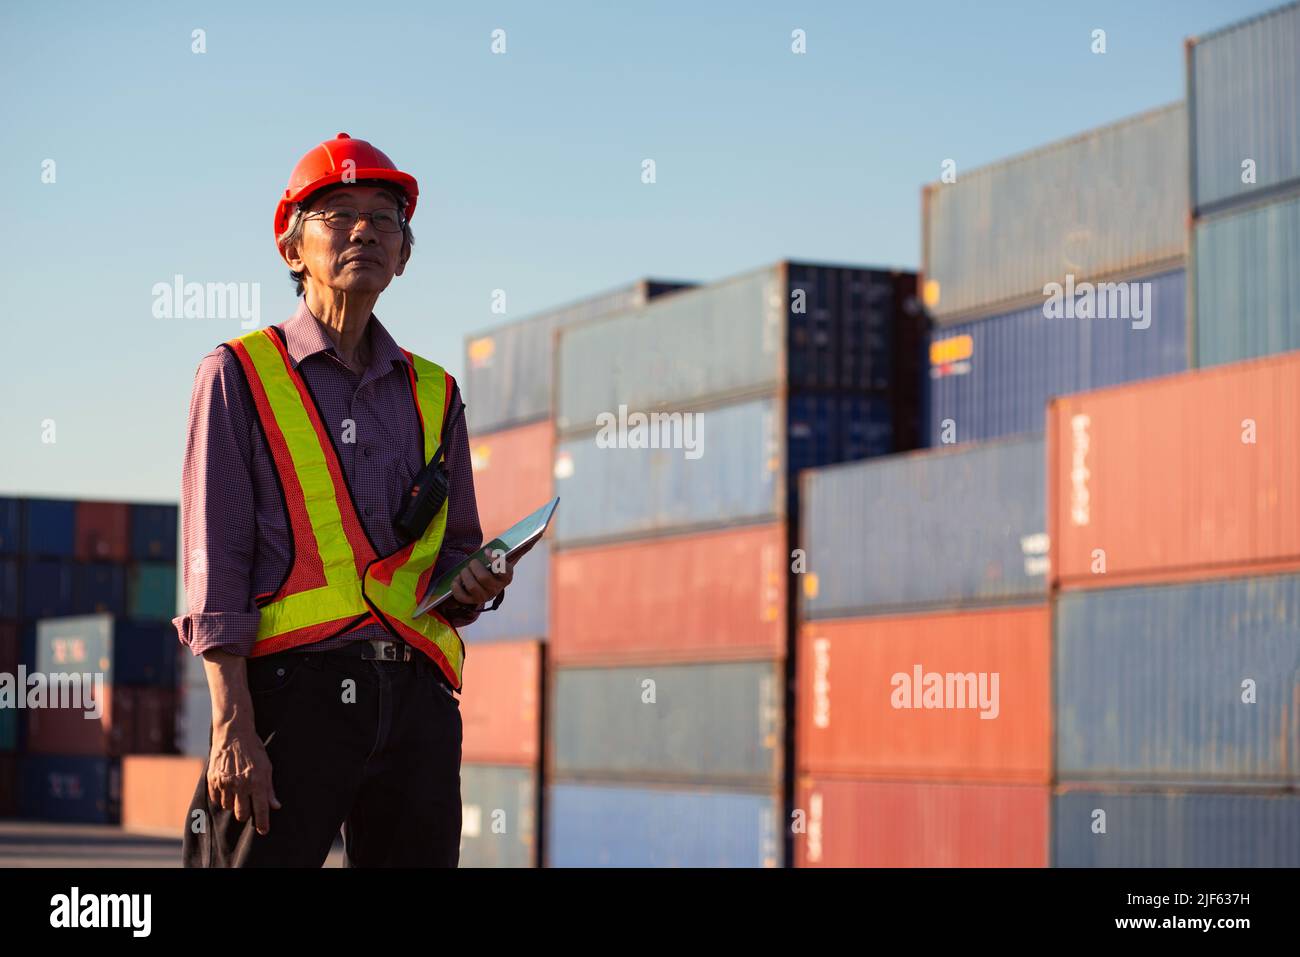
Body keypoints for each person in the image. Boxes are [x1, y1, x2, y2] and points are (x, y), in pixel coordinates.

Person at [173, 133, 516, 867]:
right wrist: (230, 722)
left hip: (417, 707)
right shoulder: (237, 375)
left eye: (383, 216)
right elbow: (216, 560)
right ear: (292, 248)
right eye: (337, 213)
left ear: (405, 253)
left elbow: (452, 559)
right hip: (288, 703)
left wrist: (477, 582)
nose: (364, 229)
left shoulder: (437, 393)